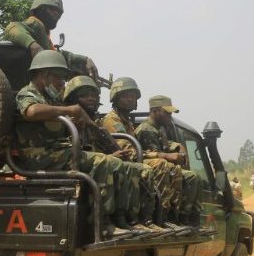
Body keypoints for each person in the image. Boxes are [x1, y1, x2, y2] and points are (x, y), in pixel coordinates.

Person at [13, 50, 129, 238]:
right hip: (39, 156)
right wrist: (70, 110)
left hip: (58, 153)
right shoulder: (28, 93)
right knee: (103, 162)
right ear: (43, 75)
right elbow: (31, 112)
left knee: (114, 162)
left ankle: (119, 219)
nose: (62, 83)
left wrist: (72, 123)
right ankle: (100, 224)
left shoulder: (50, 98)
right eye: (59, 78)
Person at [62, 76, 159, 235]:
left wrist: (113, 154)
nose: (91, 98)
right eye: (85, 95)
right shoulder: (67, 121)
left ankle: (130, 219)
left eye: (94, 94)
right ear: (73, 99)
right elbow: (73, 150)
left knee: (136, 168)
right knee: (113, 163)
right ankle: (104, 222)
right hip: (75, 166)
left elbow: (102, 148)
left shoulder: (96, 123)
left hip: (96, 163)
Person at [100, 78, 183, 229]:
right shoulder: (111, 120)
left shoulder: (127, 122)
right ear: (116, 98)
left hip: (129, 161)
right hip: (120, 163)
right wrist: (161, 156)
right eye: (127, 96)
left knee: (173, 168)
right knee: (160, 164)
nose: (131, 99)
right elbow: (129, 152)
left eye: (134, 96)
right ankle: (146, 219)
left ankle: (165, 217)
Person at [135, 95, 202, 226]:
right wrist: (169, 156)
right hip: (151, 169)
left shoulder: (160, 128)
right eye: (166, 112)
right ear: (154, 111)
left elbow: (165, 144)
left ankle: (184, 216)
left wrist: (178, 146)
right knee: (169, 167)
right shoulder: (145, 129)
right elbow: (153, 153)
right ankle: (164, 216)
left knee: (193, 176)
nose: (169, 116)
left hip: (161, 167)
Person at [5, 0, 97, 79]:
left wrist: (85, 59)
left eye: (59, 12)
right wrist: (34, 46)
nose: (57, 14)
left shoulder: (44, 33)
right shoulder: (35, 23)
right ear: (40, 9)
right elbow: (12, 27)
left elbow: (58, 54)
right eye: (53, 9)